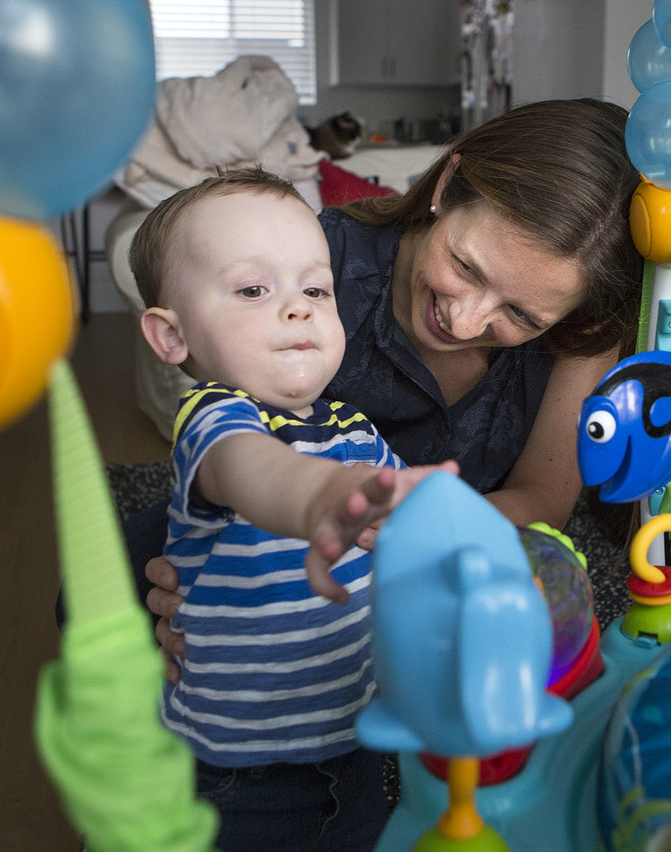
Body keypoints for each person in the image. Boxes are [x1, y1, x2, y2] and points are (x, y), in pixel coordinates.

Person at [134, 97, 646, 676]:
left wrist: (415, 544)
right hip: (277, 521)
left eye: (522, 317)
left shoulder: (580, 326)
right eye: (466, 267)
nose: (466, 322)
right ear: (447, 183)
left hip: (451, 539)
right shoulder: (310, 269)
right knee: (122, 588)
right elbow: (231, 441)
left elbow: (543, 499)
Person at [129, 167, 457, 851]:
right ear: (171, 337)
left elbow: (410, 531)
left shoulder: (355, 431)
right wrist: (323, 497)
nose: (299, 307)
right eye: (254, 289)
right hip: (236, 773)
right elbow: (255, 472)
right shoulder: (214, 420)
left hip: (356, 746)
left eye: (315, 287)